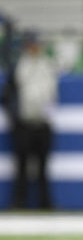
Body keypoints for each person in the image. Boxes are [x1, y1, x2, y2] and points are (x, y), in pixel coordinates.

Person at [2, 32, 58, 209]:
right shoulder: (18, 66)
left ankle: (45, 203)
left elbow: (51, 94)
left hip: (42, 123)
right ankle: (19, 202)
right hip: (23, 124)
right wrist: (15, 116)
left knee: (42, 168)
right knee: (21, 167)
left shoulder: (47, 65)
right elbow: (7, 94)